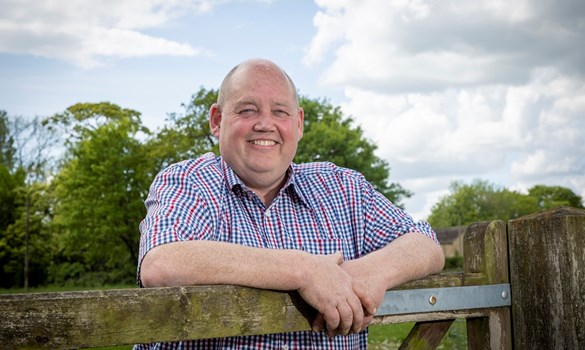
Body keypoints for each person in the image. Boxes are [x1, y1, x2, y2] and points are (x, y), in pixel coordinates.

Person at [135, 58, 444, 349]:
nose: (265, 124)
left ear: (298, 123)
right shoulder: (189, 181)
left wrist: (371, 272)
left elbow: (425, 245)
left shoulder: (343, 188)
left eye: (280, 112)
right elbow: (161, 263)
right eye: (247, 110)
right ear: (217, 120)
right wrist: (306, 270)